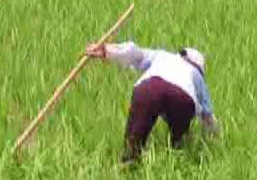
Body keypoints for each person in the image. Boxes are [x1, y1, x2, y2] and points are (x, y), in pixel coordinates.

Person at [84, 39, 219, 163]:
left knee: (134, 138)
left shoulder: (162, 56)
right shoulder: (196, 75)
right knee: (180, 141)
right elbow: (207, 114)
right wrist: (214, 137)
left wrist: (106, 50)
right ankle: (177, 156)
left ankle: (129, 162)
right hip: (182, 98)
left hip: (150, 88)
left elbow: (134, 53)